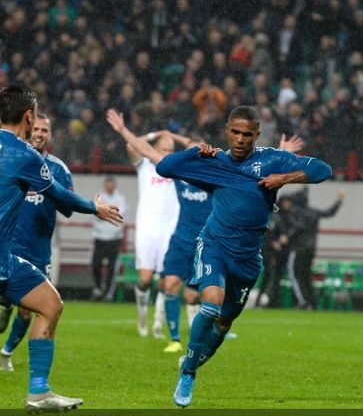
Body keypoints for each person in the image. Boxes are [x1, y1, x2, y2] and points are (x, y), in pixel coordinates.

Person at [0, 85, 123, 412]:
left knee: (50, 304)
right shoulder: (24, 154)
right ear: (29, 116)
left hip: (0, 255)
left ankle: (39, 393)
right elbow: (58, 194)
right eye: (36, 115)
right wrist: (94, 207)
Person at [156, 105, 332, 407]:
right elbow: (165, 168)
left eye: (247, 134)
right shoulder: (215, 162)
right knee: (209, 307)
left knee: (223, 325)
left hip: (248, 259)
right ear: (226, 130)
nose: (240, 139)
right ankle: (187, 373)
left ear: (257, 135)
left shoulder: (272, 159)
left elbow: (323, 170)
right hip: (214, 246)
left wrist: (284, 179)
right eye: (235, 132)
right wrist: (193, 151)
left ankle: (193, 360)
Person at [107, 109, 304, 351]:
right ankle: (175, 340)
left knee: (194, 297)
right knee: (169, 285)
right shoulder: (185, 173)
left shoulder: (220, 176)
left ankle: (203, 336)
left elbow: (257, 181)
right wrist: (124, 131)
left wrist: (282, 155)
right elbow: (148, 151)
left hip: (208, 242)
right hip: (181, 237)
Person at [0, 112, 78, 373]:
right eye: (37, 129)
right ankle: (4, 304)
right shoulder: (13, 160)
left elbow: (68, 208)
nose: (40, 134)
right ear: (29, 131)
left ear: (50, 136)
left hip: (39, 249)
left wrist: (50, 192)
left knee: (29, 311)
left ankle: (6, 353)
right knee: (6, 299)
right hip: (9, 244)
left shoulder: (59, 170)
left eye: (45, 131)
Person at [126, 119, 180, 339]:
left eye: (170, 149)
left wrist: (173, 136)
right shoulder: (145, 166)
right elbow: (131, 145)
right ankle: (142, 316)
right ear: (154, 150)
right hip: (147, 229)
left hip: (170, 230)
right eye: (163, 149)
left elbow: (199, 146)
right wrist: (155, 132)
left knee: (165, 278)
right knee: (145, 279)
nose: (167, 153)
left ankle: (158, 324)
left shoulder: (178, 168)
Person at [286, 188, 345, 309]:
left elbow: (298, 227)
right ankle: (311, 301)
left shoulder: (295, 212)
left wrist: (287, 236)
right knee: (306, 276)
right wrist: (339, 201)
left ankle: (302, 301)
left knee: (294, 275)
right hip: (311, 248)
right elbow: (329, 213)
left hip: (298, 247)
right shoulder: (312, 212)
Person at [91, 175, 128, 301]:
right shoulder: (100, 198)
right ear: (105, 185)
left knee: (112, 267)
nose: (110, 186)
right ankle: (97, 288)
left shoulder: (120, 199)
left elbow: (119, 215)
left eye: (112, 184)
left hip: (114, 238)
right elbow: (94, 212)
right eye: (108, 184)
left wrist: (103, 213)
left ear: (115, 185)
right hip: (100, 237)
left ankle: (107, 294)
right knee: (96, 264)